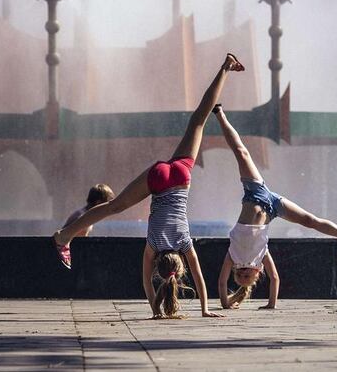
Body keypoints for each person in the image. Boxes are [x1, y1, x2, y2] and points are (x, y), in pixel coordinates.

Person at [52, 53, 245, 318]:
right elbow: (146, 283)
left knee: (199, 120)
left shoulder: (184, 242)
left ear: (178, 265)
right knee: (114, 206)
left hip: (180, 175)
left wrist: (205, 309)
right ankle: (64, 236)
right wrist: (156, 311)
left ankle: (225, 68)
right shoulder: (152, 246)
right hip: (158, 178)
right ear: (160, 269)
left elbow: (199, 278)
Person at [213, 104, 337, 310]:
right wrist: (271, 305)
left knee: (241, 152)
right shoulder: (260, 256)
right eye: (247, 275)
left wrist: (224, 304)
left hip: (255, 193)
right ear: (257, 272)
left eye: (239, 274)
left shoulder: (233, 255)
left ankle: (220, 115)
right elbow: (274, 279)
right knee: (310, 220)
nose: (243, 271)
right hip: (273, 205)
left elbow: (222, 282)